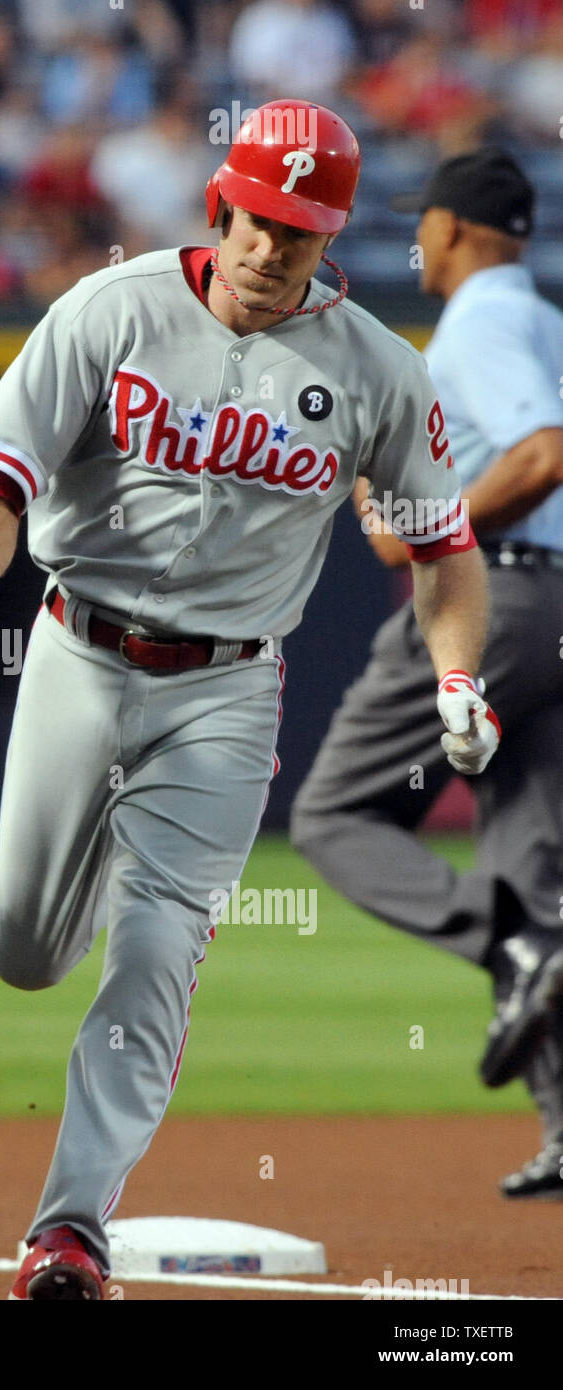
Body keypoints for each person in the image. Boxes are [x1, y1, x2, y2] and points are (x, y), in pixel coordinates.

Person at [0, 99, 498, 1299]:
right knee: (25, 950)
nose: (271, 248)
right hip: (76, 651)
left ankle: (65, 1230)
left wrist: (454, 674)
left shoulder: (378, 369)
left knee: (155, 946)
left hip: (227, 691)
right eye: (258, 219)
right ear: (218, 206)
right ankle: (45, 902)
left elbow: (444, 551)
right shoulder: (108, 308)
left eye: (300, 229)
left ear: (329, 234)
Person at [291, 148, 563, 1200]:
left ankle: (506, 949)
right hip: (552, 609)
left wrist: (426, 529)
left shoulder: (485, 321)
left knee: (333, 813)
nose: (418, 239)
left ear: (449, 230)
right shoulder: (543, 318)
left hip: (490, 599)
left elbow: (542, 454)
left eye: (424, 223)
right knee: (530, 861)